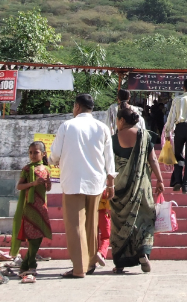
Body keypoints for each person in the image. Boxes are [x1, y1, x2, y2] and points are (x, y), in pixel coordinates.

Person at [50, 94, 116, 278]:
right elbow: (109, 158)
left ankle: (79, 268)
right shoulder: (102, 128)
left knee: (75, 225)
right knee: (91, 224)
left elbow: (55, 154)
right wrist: (111, 183)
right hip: (96, 182)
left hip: (73, 181)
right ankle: (90, 262)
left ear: (77, 107)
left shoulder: (67, 126)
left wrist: (52, 161)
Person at [110, 102, 166, 274]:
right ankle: (143, 252)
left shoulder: (113, 139)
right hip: (142, 185)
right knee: (145, 218)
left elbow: (109, 164)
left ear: (121, 120)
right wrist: (160, 180)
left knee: (120, 222)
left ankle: (120, 262)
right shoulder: (144, 137)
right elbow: (153, 159)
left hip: (119, 187)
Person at [11, 141, 52, 280]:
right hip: (30, 206)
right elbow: (19, 186)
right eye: (30, 153)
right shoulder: (27, 169)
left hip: (42, 206)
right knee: (33, 236)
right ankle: (32, 264)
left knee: (39, 235)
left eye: (36, 152)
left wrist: (48, 183)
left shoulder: (47, 169)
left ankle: (24, 265)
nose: (33, 155)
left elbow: (48, 189)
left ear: (43, 154)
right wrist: (33, 183)